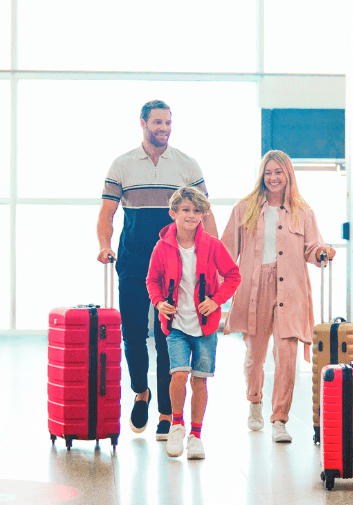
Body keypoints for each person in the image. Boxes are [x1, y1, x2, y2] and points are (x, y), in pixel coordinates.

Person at [97, 100, 218, 439]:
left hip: (176, 266)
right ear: (143, 123)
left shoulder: (185, 165)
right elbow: (106, 215)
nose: (164, 128)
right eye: (158, 123)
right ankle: (141, 392)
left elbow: (205, 215)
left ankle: (166, 410)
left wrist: (215, 256)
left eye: (168, 123)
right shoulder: (122, 165)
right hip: (134, 261)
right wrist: (105, 246)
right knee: (134, 333)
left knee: (168, 336)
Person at [221, 150, 335, 443]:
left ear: (288, 176)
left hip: (291, 289)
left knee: (287, 355)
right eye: (268, 172)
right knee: (255, 355)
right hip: (254, 287)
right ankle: (255, 401)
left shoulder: (302, 211)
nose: (273, 178)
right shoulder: (243, 209)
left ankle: (280, 418)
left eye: (278, 172)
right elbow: (224, 252)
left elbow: (313, 247)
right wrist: (211, 286)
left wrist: (322, 252)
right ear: (262, 175)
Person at [146, 186, 240, 459]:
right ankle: (177, 424)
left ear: (203, 215)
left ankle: (196, 435)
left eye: (197, 211)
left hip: (205, 327)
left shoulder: (212, 245)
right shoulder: (162, 247)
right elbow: (152, 281)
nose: (191, 215)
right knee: (178, 374)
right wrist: (158, 302)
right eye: (185, 210)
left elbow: (233, 276)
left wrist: (217, 301)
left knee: (200, 381)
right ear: (173, 213)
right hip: (175, 325)